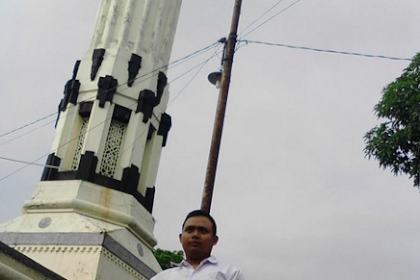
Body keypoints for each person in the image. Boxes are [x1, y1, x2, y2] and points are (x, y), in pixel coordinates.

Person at [151, 210, 245, 280]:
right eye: (189, 230)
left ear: (214, 240)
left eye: (202, 231)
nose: (195, 235)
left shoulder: (231, 274)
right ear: (181, 237)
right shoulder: (162, 278)